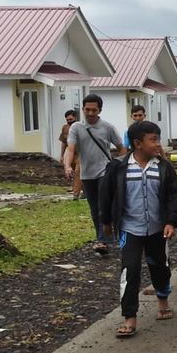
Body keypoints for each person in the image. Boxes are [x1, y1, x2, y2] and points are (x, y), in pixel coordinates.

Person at [99, 120, 177, 338]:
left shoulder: (164, 167)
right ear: (137, 143)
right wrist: (106, 222)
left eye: (158, 139)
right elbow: (106, 196)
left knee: (160, 266)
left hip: (157, 229)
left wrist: (171, 221)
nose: (157, 144)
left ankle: (163, 300)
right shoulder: (118, 167)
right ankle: (129, 317)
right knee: (130, 270)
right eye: (152, 139)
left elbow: (174, 196)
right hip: (129, 229)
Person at [64, 94, 126, 256]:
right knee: (94, 208)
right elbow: (70, 149)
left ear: (100, 110)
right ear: (83, 109)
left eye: (94, 110)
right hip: (86, 174)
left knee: (104, 206)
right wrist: (67, 166)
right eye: (87, 109)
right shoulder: (76, 127)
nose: (90, 113)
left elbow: (121, 148)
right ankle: (105, 237)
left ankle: (103, 240)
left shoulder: (107, 127)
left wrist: (119, 165)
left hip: (105, 172)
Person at [59, 108, 82, 199]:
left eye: (71, 120)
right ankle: (82, 190)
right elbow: (64, 142)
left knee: (78, 172)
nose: (69, 121)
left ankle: (76, 194)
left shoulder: (81, 127)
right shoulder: (65, 128)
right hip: (70, 153)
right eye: (67, 120)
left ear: (75, 118)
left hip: (81, 153)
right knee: (72, 172)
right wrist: (61, 155)